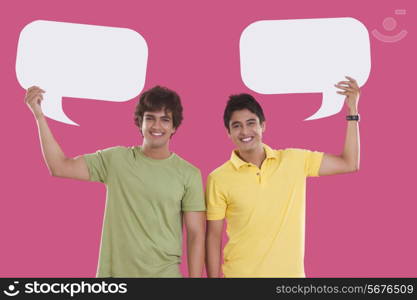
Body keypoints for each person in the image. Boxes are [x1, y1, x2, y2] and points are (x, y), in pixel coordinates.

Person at [25, 85, 206, 278]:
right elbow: (59, 166)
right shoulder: (116, 160)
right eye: (150, 118)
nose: (156, 126)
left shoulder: (189, 174)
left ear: (174, 126)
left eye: (165, 119)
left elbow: (195, 235)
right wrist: (39, 116)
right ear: (140, 122)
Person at [205, 76, 361, 277]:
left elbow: (349, 163)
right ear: (228, 132)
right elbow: (213, 238)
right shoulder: (218, 178)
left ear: (263, 126)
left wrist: (353, 112)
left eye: (251, 123)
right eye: (237, 126)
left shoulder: (295, 160)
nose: (245, 131)